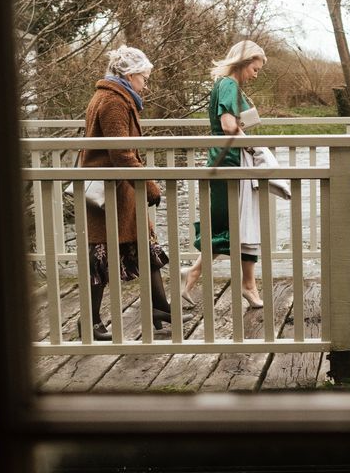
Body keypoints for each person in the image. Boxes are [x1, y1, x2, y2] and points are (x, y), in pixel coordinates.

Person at [82, 45, 171, 333]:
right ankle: (90, 322)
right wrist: (148, 185)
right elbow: (121, 152)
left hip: (120, 190)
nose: (146, 84)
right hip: (111, 192)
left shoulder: (113, 96)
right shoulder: (113, 101)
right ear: (130, 75)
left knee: (144, 245)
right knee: (101, 255)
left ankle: (160, 308)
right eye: (144, 78)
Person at [180, 39, 268, 310]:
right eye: (255, 69)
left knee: (231, 224)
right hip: (230, 160)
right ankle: (245, 284)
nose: (256, 75)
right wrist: (253, 146)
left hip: (225, 160)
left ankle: (194, 274)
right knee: (239, 222)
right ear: (243, 63)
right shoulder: (229, 85)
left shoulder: (224, 84)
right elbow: (228, 125)